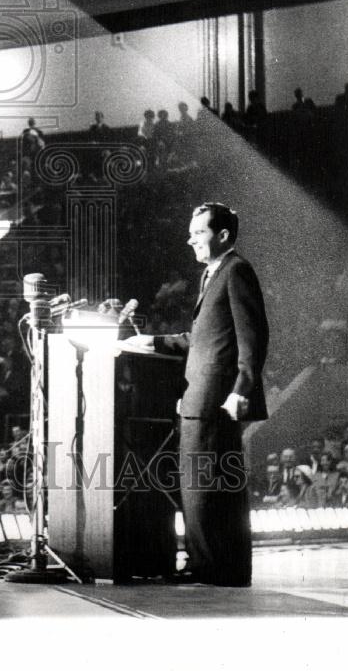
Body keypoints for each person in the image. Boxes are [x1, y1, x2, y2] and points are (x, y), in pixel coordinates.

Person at [119, 202, 268, 586]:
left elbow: (252, 338)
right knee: (207, 487)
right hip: (200, 398)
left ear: (222, 235)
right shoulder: (212, 275)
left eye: (198, 232)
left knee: (206, 489)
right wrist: (151, 342)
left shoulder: (236, 271)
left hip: (215, 400)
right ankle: (217, 565)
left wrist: (242, 388)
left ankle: (213, 567)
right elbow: (199, 340)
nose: (191, 240)